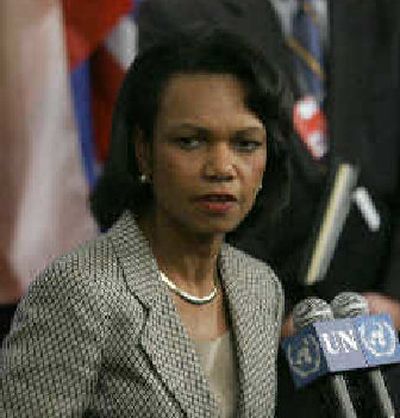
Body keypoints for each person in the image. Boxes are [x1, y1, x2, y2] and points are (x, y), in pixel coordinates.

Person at [0, 29, 291, 417]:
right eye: (190, 141)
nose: (222, 168)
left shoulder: (259, 286)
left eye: (245, 144)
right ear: (143, 151)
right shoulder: (81, 291)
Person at [137, 1, 400, 416]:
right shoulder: (178, 11)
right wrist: (257, 317)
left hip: (386, 344)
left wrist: (395, 302)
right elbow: (161, 185)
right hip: (250, 363)